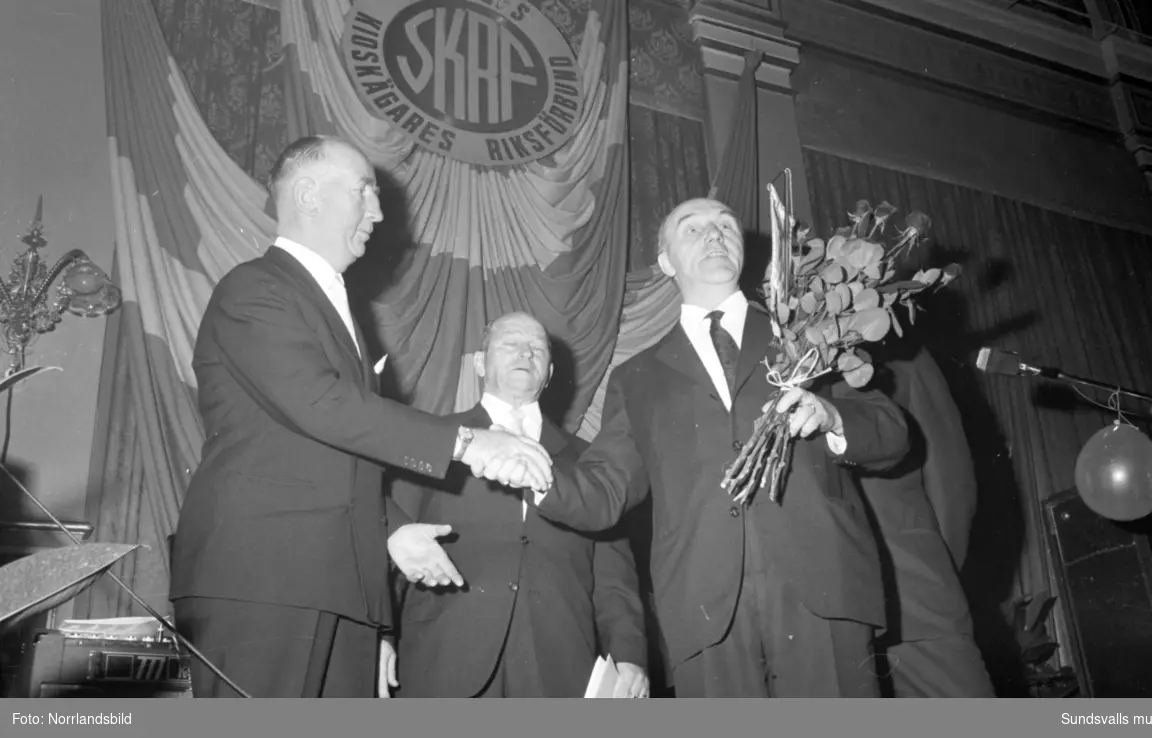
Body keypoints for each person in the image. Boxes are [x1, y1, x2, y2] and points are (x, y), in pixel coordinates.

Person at [169, 135, 553, 699]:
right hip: (265, 578)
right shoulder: (254, 289)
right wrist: (469, 442)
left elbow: (338, 455)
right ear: (307, 195)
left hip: (337, 585)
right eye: (364, 193)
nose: (378, 213)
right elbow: (322, 406)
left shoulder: (333, 306)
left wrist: (393, 533)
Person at [504, 197, 911, 697]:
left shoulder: (810, 333)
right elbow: (606, 487)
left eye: (725, 225)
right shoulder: (637, 377)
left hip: (822, 588)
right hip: (703, 609)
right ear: (667, 262)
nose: (714, 235)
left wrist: (831, 416)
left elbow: (892, 429)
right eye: (692, 229)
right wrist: (531, 472)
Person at [390, 312, 650, 698]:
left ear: (548, 373)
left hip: (559, 671)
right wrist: (378, 633)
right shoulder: (432, 441)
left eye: (537, 348)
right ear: (480, 362)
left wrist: (628, 655)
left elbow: (613, 578)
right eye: (510, 343)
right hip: (444, 663)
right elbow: (391, 540)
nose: (524, 353)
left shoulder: (591, 461)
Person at [857, 344, 994, 697]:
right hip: (813, 627)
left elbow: (953, 483)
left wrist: (935, 571)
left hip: (914, 601)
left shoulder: (902, 352)